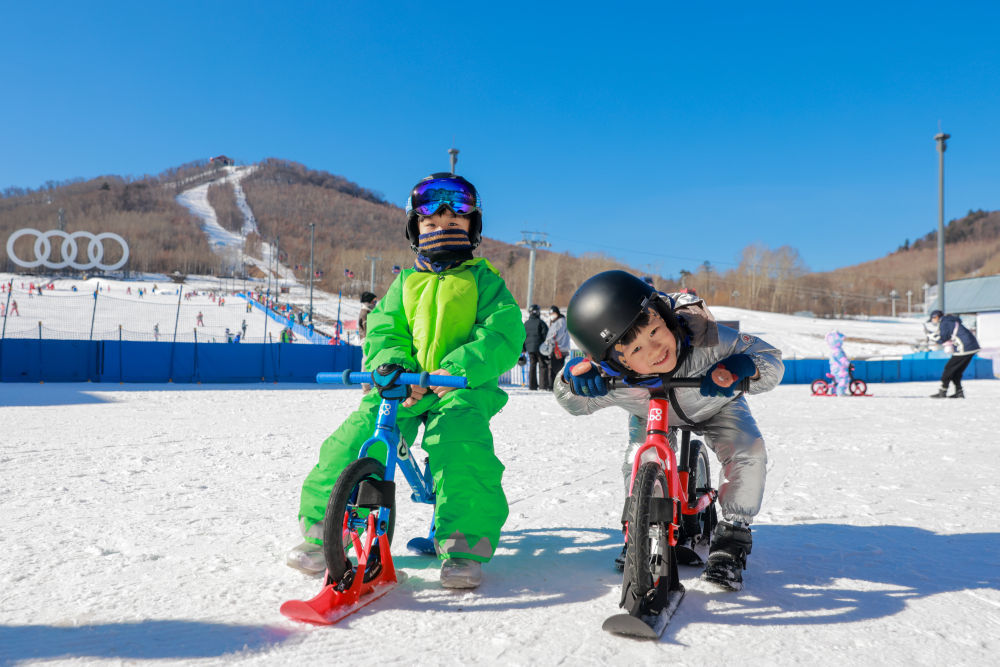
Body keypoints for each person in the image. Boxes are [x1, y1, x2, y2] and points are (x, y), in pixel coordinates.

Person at [288, 172, 524, 589]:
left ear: (473, 229)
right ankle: (324, 532)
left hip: (459, 389)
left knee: (462, 449)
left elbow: (502, 333)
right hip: (406, 386)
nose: (441, 232)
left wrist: (459, 367)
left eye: (453, 226)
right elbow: (384, 329)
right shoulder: (405, 283)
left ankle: (464, 547)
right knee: (353, 438)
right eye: (431, 225)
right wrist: (391, 365)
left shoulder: (485, 282)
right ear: (416, 230)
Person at [553, 270, 783, 591]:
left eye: (655, 331)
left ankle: (732, 536)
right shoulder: (614, 380)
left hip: (716, 403)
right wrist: (572, 380)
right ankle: (638, 526)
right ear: (617, 364)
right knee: (637, 455)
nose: (654, 349)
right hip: (652, 412)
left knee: (747, 449)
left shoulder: (709, 338)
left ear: (665, 316)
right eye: (635, 351)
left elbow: (769, 358)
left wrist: (744, 366)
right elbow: (571, 401)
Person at [927, 309, 980, 398]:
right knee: (956, 371)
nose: (933, 321)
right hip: (971, 347)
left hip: (964, 347)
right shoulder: (949, 321)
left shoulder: (945, 322)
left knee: (948, 369)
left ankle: (943, 391)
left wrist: (932, 337)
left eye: (933, 319)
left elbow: (944, 337)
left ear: (936, 317)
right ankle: (959, 392)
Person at [542, 305, 570, 390]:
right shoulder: (560, 321)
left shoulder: (560, 322)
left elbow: (556, 335)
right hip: (561, 348)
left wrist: (549, 341)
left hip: (558, 349)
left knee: (555, 369)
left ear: (557, 313)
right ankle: (556, 385)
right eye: (550, 314)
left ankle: (554, 386)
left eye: (553, 313)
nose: (551, 315)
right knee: (557, 368)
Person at [523, 304, 549, 390]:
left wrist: (523, 349)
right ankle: (543, 385)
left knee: (532, 366)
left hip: (530, 349)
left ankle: (532, 385)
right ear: (537, 312)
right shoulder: (541, 323)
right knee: (542, 366)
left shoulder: (526, 324)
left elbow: (522, 337)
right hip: (540, 348)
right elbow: (546, 336)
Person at [358, 291, 378, 392]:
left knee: (375, 361)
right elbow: (367, 329)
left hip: (371, 339)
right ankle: (365, 386)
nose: (376, 303)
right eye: (374, 301)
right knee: (366, 361)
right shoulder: (365, 313)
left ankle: (376, 383)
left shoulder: (371, 312)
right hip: (367, 340)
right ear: (369, 302)